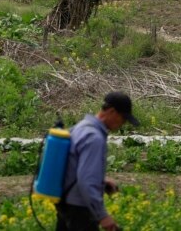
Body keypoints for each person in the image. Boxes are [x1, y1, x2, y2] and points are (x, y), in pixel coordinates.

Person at [57, 91, 139, 231]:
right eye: (123, 119)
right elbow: (86, 181)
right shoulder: (94, 138)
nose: (122, 124)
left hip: (65, 203)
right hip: (80, 209)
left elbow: (73, 165)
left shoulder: (80, 128)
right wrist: (102, 216)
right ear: (112, 112)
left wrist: (102, 181)